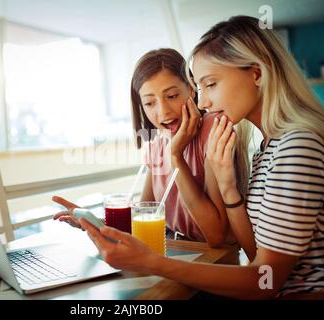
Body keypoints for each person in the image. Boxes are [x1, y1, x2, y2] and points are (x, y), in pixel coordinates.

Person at [79, 16, 324, 299]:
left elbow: (263, 281)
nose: (203, 102)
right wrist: (229, 187)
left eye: (211, 84)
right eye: (201, 88)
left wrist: (152, 262)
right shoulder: (271, 147)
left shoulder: (298, 149)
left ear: (256, 73)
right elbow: (257, 254)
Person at [53, 48, 250, 247]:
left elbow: (215, 235)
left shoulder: (213, 130)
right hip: (173, 247)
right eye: (149, 103)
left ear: (191, 89)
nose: (163, 111)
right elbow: (143, 218)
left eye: (172, 96)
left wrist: (175, 156)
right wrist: (92, 222)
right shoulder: (157, 145)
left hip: (215, 258)